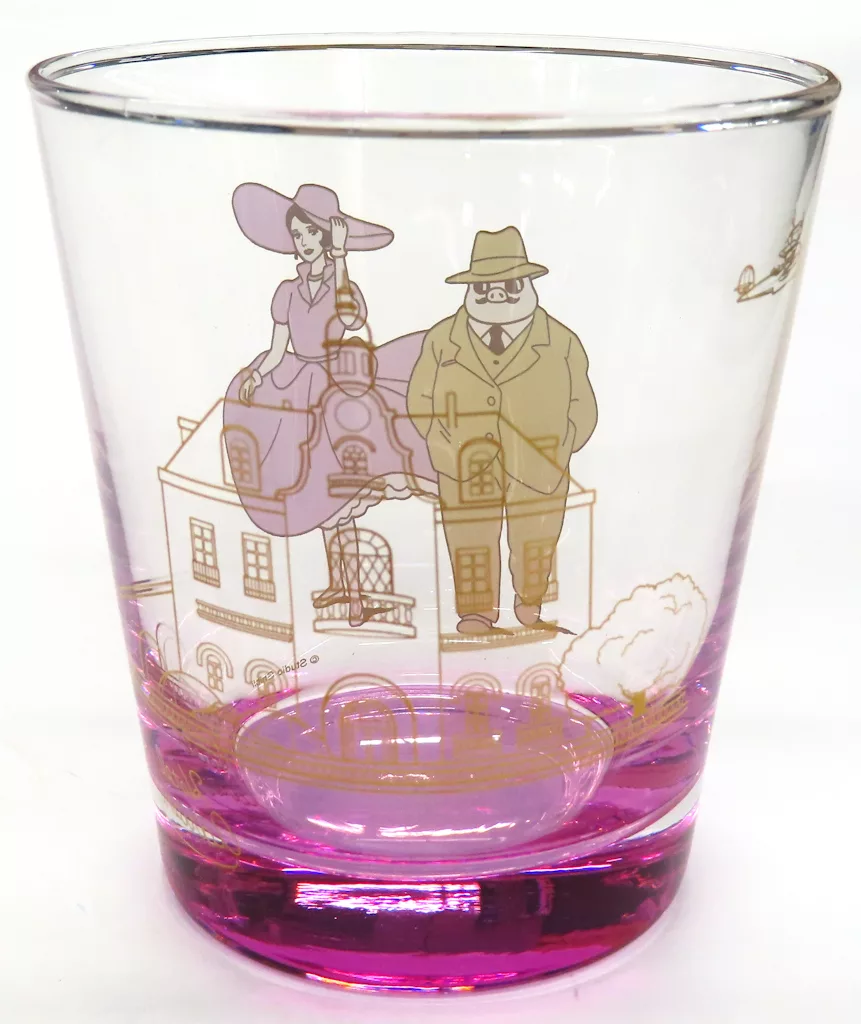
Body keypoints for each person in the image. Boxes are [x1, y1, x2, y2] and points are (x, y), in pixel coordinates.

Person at [225, 182, 435, 627]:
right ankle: (340, 584)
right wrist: (259, 375)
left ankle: (356, 597)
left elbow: (352, 318)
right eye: (297, 234)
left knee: (338, 494)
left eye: (310, 233)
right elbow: (278, 347)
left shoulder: (343, 284)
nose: (302, 242)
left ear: (326, 236)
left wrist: (341, 258)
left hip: (335, 383)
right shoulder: (287, 290)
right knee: (316, 491)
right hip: (296, 385)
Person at [407, 226, 598, 636]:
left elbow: (583, 404)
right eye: (484, 286)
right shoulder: (442, 340)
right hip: (463, 466)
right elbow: (419, 399)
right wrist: (441, 445)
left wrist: (562, 446)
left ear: (527, 286)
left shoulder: (561, 341)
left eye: (510, 286)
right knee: (470, 540)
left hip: (540, 464)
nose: (496, 295)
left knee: (536, 539)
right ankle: (476, 613)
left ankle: (530, 603)